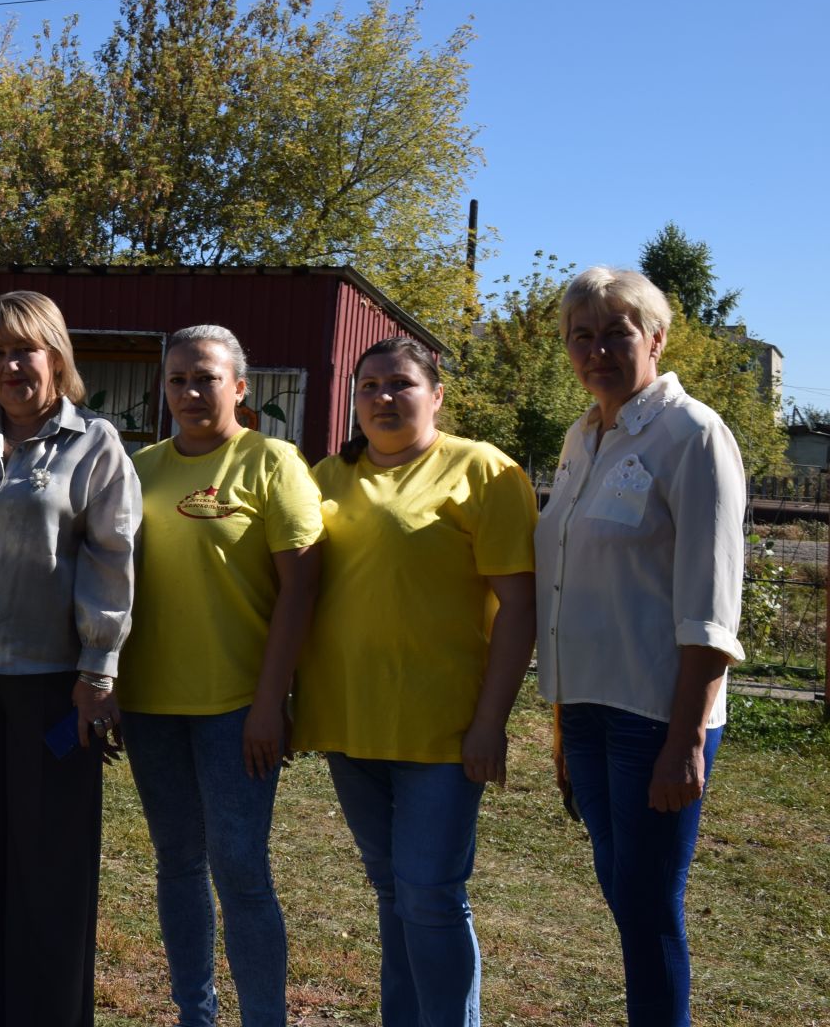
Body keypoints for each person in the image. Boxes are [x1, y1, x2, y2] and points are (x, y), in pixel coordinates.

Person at [292, 336, 537, 1026]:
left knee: (430, 894)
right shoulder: (326, 476)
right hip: (348, 719)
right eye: (368, 387)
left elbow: (520, 606)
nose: (382, 398)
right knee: (393, 893)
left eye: (399, 384)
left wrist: (491, 723)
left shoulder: (484, 471)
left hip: (444, 728)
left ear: (436, 395)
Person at [0, 290, 140, 1027]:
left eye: (25, 349)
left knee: (48, 867)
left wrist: (97, 672)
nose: (11, 365)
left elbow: (112, 559)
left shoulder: (95, 445)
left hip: (53, 688)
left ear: (56, 355)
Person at [536, 267, 744, 1027]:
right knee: (623, 894)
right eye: (580, 337)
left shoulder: (691, 435)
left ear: (655, 338)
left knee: (649, 905)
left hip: (655, 717)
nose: (596, 350)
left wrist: (686, 738)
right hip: (587, 709)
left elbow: (711, 605)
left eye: (614, 333)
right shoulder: (582, 436)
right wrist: (561, 718)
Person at [118, 325, 322, 1027]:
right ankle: (194, 1015)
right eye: (176, 380)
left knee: (239, 871)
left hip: (237, 708)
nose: (190, 392)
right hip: (150, 705)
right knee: (177, 864)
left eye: (205, 378)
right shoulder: (139, 469)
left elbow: (300, 591)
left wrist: (273, 702)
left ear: (240, 386)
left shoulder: (272, 461)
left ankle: (263, 1018)